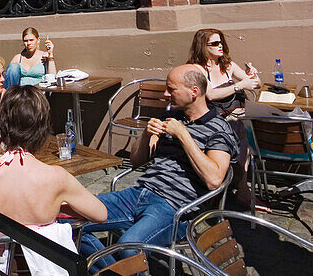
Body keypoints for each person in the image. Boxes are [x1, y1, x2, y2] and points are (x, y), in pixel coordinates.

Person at [79, 65, 238, 265]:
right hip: (139, 193)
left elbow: (214, 180)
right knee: (71, 221)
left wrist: (182, 135)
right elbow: (136, 162)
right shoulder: (169, 117)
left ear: (194, 92)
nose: (165, 94)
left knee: (129, 246)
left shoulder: (219, 129)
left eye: (171, 89)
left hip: (175, 208)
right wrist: (146, 134)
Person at [0, 87, 107, 276]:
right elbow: (100, 214)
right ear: (43, 127)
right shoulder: (56, 177)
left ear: (3, 123)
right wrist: (59, 208)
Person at [188, 28, 260, 207]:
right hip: (213, 123)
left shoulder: (227, 65)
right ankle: (230, 191)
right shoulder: (197, 69)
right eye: (214, 43)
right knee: (238, 142)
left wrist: (253, 77)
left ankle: (240, 189)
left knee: (244, 142)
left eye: (221, 42)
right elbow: (210, 95)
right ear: (202, 47)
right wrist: (239, 86)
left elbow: (254, 84)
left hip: (236, 120)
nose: (220, 46)